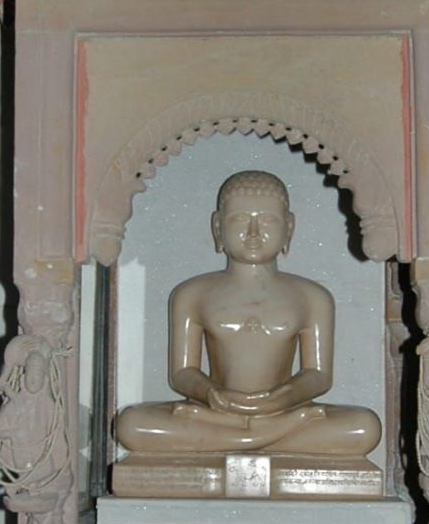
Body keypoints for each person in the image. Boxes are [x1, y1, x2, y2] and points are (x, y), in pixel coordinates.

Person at [113, 169, 381, 464]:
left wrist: (286, 396)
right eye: (239, 220)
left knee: (364, 427)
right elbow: (182, 372)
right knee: (131, 424)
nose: (253, 233)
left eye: (268, 221)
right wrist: (211, 394)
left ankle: (236, 442)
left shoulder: (312, 297)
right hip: (215, 414)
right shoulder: (191, 294)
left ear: (289, 227)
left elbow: (318, 375)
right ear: (218, 227)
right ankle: (260, 441)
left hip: (285, 413)